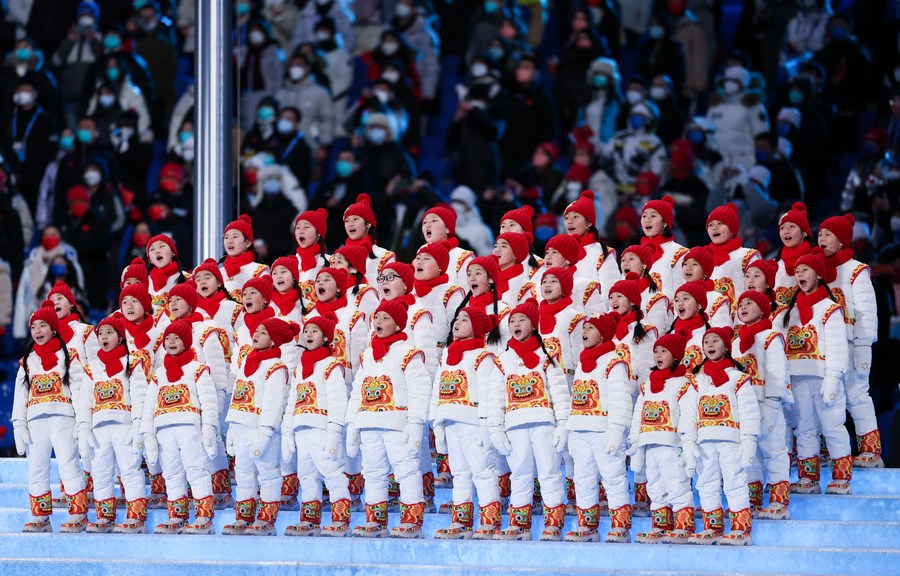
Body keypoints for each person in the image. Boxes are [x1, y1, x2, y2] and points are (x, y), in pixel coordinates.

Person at [345, 299, 432, 538]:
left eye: (385, 318)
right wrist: (352, 423)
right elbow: (357, 391)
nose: (378, 322)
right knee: (372, 471)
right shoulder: (367, 356)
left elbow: (419, 389)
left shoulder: (408, 354)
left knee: (405, 468)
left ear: (398, 324)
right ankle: (376, 521)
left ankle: (412, 521)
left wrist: (415, 423)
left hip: (396, 423)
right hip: (368, 423)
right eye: (377, 318)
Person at [488, 299, 570, 541]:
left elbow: (559, 394)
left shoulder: (547, 357)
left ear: (534, 326)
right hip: (515, 425)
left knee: (549, 471)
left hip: (543, 424)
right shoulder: (503, 361)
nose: (516, 323)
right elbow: (496, 398)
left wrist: (563, 424)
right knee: (520, 474)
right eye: (512, 320)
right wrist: (496, 429)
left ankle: (553, 524)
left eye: (522, 319)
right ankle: (519, 525)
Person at [12, 302, 89, 533]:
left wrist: (82, 421)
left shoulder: (70, 356)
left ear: (54, 329)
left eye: (43, 325)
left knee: (68, 464)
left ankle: (78, 513)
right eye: (33, 326)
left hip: (63, 418)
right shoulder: (27, 362)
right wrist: (19, 425)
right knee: (36, 466)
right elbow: (20, 395)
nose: (37, 330)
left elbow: (79, 390)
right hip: (36, 421)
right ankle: (40, 516)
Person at [781, 248, 852, 495]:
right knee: (805, 429)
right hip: (798, 378)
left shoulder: (829, 308)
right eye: (797, 271)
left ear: (819, 275)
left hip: (823, 378)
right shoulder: (791, 311)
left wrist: (833, 378)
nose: (799, 274)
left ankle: (842, 478)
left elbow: (837, 346)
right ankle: (808, 478)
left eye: (805, 270)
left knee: (832, 426)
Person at [140, 319, 219, 534]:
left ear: (186, 341)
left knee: (196, 468)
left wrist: (209, 428)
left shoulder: (198, 369)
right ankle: (177, 514)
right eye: (168, 338)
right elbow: (148, 406)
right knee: (171, 472)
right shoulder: (158, 374)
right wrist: (147, 433)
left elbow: (209, 402)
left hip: (189, 428)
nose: (172, 342)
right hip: (164, 429)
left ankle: (204, 516)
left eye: (177, 338)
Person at [430, 306, 502, 539]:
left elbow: (488, 393)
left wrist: (485, 425)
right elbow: (436, 391)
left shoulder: (483, 357)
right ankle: (461, 521)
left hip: (473, 423)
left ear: (478, 328)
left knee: (482, 470)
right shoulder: (447, 355)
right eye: (457, 319)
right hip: (450, 421)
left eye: (464, 319)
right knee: (459, 472)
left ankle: (490, 520)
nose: (457, 322)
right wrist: (436, 423)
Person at [686, 326, 760, 545]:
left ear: (726, 346)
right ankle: (713, 526)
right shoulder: (697, 381)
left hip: (731, 440)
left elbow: (749, 412)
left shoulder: (738, 378)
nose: (710, 345)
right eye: (706, 341)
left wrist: (749, 441)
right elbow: (689, 414)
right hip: (705, 440)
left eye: (715, 340)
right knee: (706, 482)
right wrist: (688, 441)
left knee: (734, 481)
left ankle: (741, 529)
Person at [222, 317, 296, 536]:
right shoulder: (247, 362)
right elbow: (238, 395)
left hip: (261, 430)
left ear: (274, 340)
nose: (256, 334)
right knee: (243, 472)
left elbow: (275, 402)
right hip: (241, 425)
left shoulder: (276, 367)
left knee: (268, 472)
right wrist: (232, 429)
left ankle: (267, 518)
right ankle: (244, 515)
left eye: (263, 332)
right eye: (257, 330)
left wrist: (265, 431)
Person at [818, 214, 881, 468]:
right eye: (820, 233)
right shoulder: (817, 270)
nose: (821, 238)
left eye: (828, 234)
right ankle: (827, 451)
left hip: (853, 345)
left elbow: (867, 311)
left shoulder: (856, 270)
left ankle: (871, 451)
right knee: (826, 397)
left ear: (842, 240)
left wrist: (864, 345)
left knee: (856, 395)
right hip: (826, 346)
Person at [565, 312, 633, 543]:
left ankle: (620, 525)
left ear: (603, 335)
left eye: (591, 328)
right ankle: (587, 525)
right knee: (583, 478)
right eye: (584, 328)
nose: (584, 332)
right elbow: (576, 398)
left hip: (603, 430)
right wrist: (571, 430)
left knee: (613, 476)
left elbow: (620, 399)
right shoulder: (582, 362)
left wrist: (616, 429)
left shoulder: (614, 362)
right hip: (581, 428)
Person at [282, 314, 352, 536]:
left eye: (315, 331)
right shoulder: (299, 368)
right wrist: (287, 431)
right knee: (306, 474)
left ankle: (341, 517)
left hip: (322, 428)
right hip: (301, 427)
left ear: (325, 337)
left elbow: (338, 401)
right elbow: (292, 400)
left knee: (331, 470)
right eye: (307, 330)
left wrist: (334, 431)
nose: (309, 334)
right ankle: (310, 519)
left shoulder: (332, 365)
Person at [80, 316, 148, 533]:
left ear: (120, 337)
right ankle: (105, 516)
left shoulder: (132, 362)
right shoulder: (92, 368)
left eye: (109, 332)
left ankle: (136, 516)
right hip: (100, 428)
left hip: (124, 425)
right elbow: (85, 400)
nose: (104, 337)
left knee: (129, 469)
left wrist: (138, 426)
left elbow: (139, 396)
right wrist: (84, 426)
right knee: (100, 471)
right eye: (100, 333)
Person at [733, 290, 792, 519]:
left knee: (774, 450)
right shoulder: (736, 340)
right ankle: (753, 498)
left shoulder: (771, 336)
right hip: (743, 406)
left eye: (750, 302)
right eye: (741, 303)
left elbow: (777, 374)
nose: (744, 307)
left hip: (766, 403)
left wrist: (771, 405)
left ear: (763, 309)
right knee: (751, 453)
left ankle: (779, 500)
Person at [342, 193, 396, 286]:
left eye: (355, 219)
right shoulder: (338, 257)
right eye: (347, 220)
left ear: (368, 224)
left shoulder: (382, 256)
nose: (350, 224)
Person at [640, 195, 687, 298]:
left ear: (665, 223)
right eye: (644, 216)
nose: (647, 220)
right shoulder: (632, 253)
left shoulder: (679, 253)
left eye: (653, 216)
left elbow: (683, 292)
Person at [422, 205, 475, 288]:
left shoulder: (462, 256)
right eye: (425, 222)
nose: (427, 225)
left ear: (447, 228)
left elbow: (468, 292)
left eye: (434, 220)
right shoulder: (420, 254)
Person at [219, 215, 270, 302]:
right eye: (226, 237)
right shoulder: (219, 273)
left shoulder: (259, 271)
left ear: (247, 243)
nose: (229, 241)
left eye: (235, 237)